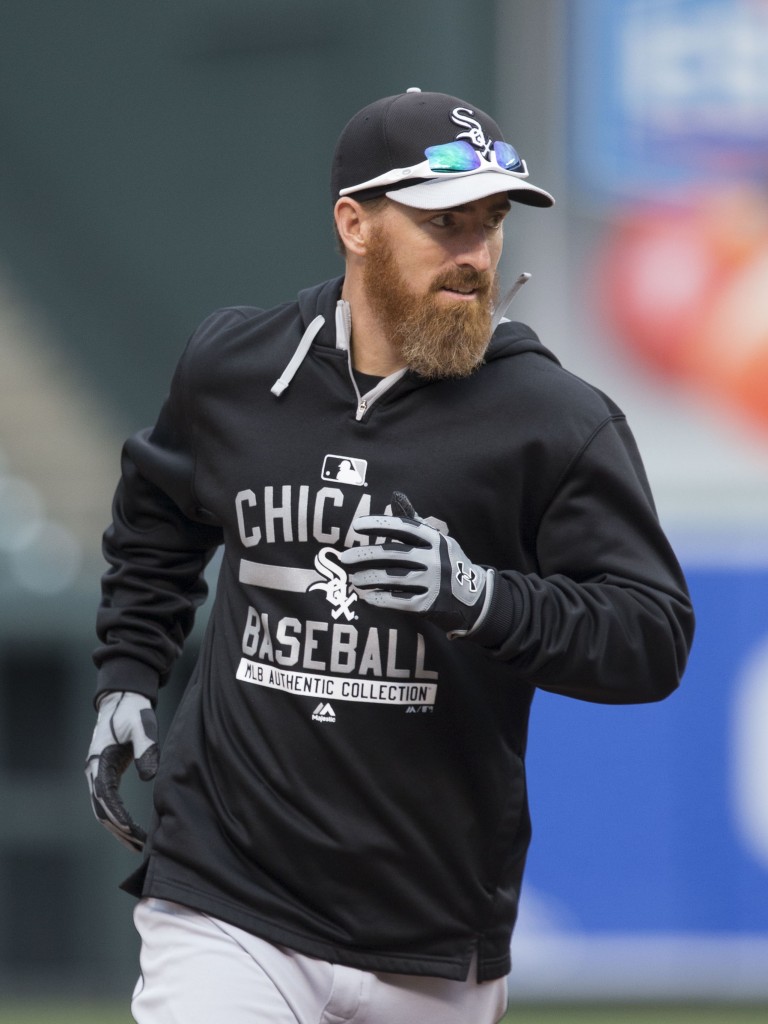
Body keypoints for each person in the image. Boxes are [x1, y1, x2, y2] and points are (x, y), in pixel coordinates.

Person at [85, 88, 695, 1024]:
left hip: (428, 927)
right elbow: (159, 517)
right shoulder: (236, 368)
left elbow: (652, 637)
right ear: (355, 223)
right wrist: (128, 669)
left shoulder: (555, 421)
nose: (476, 253)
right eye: (442, 223)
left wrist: (482, 597)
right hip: (227, 892)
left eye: (489, 223)